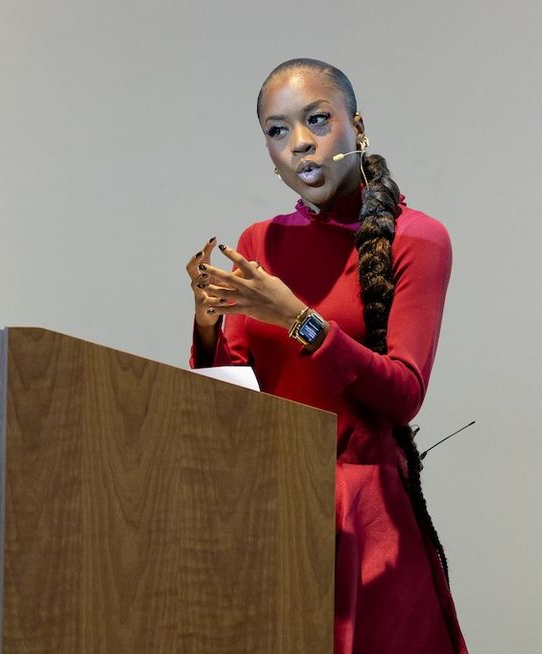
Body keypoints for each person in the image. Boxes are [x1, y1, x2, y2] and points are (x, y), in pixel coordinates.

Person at [185, 58, 467, 654]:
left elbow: (403, 392)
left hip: (365, 520)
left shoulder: (418, 237)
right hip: (270, 509)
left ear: (356, 127)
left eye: (318, 120)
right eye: (277, 130)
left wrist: (297, 319)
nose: (301, 145)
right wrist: (207, 323)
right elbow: (230, 406)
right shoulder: (260, 242)